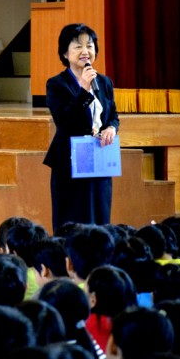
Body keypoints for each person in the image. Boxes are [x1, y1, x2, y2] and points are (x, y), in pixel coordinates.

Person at [43, 23, 119, 233]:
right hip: (69, 161)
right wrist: (84, 90)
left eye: (90, 45)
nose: (85, 51)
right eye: (78, 46)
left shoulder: (103, 82)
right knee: (72, 221)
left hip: (99, 157)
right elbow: (64, 120)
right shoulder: (56, 84)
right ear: (65, 53)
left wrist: (111, 128)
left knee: (100, 219)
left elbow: (112, 114)